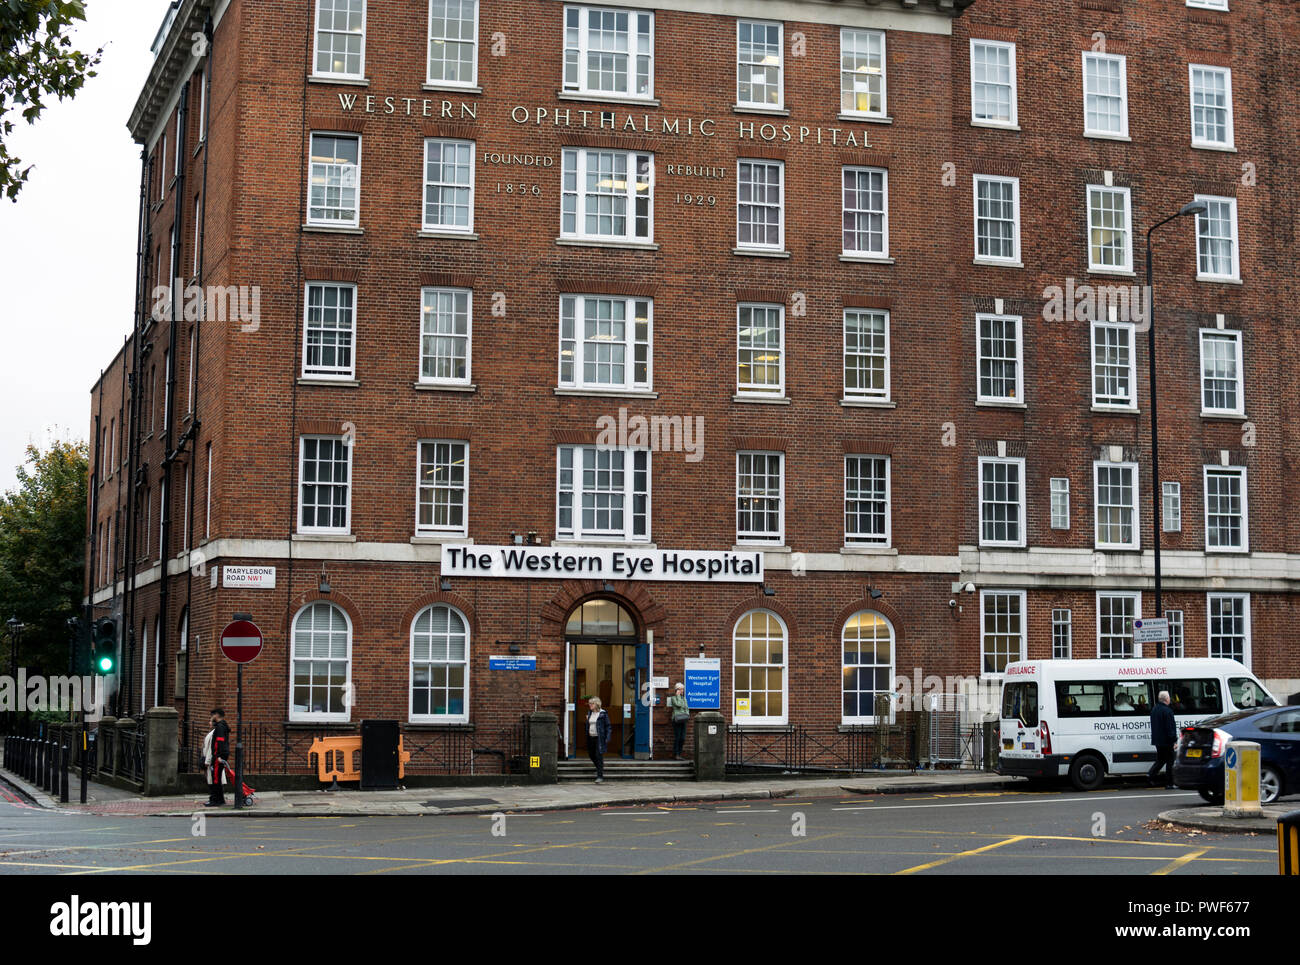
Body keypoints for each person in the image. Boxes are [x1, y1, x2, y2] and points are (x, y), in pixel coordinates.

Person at [1148, 690, 1178, 789]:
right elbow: (1170, 728)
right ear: (1166, 699)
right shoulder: (1168, 711)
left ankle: (1150, 775)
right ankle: (1170, 783)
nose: (1170, 699)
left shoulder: (1154, 709)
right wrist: (1174, 740)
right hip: (1167, 741)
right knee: (1170, 761)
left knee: (1160, 760)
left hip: (1158, 740)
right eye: (1169, 697)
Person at [206, 708, 231, 806]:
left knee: (216, 778)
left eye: (212, 716)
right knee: (217, 778)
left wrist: (219, 756)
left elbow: (220, 742)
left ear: (216, 715)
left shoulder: (220, 727)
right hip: (219, 755)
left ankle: (216, 800)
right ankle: (219, 799)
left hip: (218, 756)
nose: (211, 718)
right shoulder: (222, 726)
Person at [586, 696, 611, 784]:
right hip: (591, 737)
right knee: (591, 754)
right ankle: (599, 769)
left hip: (599, 738)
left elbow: (608, 726)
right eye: (589, 703)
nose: (590, 705)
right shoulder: (590, 713)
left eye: (591, 703)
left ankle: (600, 776)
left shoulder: (603, 714)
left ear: (596, 704)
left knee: (598, 755)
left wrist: (607, 737)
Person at [668, 683, 690, 760]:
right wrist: (677, 696)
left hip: (683, 719)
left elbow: (686, 708)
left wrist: (687, 714)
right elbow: (679, 705)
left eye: (683, 689)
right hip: (677, 719)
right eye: (681, 689)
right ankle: (676, 754)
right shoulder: (673, 698)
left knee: (682, 738)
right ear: (677, 690)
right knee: (677, 737)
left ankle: (679, 753)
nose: (682, 691)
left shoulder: (684, 698)